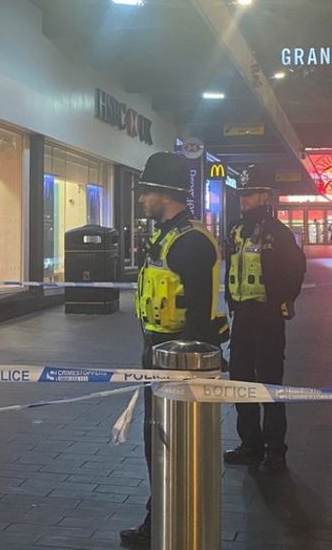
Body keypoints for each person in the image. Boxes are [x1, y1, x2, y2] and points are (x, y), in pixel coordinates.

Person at [120, 152, 228, 549]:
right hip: (160, 355)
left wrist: (191, 369)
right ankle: (159, 514)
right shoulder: (168, 237)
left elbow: (199, 313)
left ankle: (170, 521)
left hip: (179, 362)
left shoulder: (190, 243)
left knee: (172, 443)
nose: (140, 200)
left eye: (144, 192)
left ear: (164, 194)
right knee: (157, 441)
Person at [222, 178, 306, 475]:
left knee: (270, 383)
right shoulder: (235, 230)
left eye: (250, 194)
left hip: (267, 316)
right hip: (243, 316)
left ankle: (275, 450)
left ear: (265, 195)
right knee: (240, 379)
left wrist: (284, 300)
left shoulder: (278, 233)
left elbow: (296, 267)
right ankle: (250, 444)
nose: (244, 199)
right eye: (242, 194)